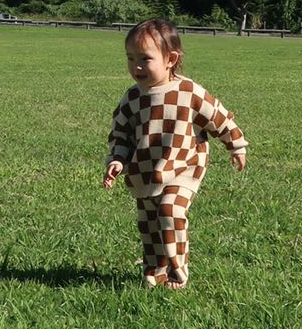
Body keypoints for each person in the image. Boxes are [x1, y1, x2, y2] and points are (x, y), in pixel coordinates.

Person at [103, 17, 247, 289]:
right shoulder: (132, 98)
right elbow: (120, 133)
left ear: (170, 59)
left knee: (170, 211)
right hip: (147, 170)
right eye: (130, 58)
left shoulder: (188, 91)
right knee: (149, 225)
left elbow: (218, 117)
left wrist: (235, 144)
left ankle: (177, 273)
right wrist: (117, 160)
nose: (136, 66)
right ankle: (155, 269)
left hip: (185, 165)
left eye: (145, 59)